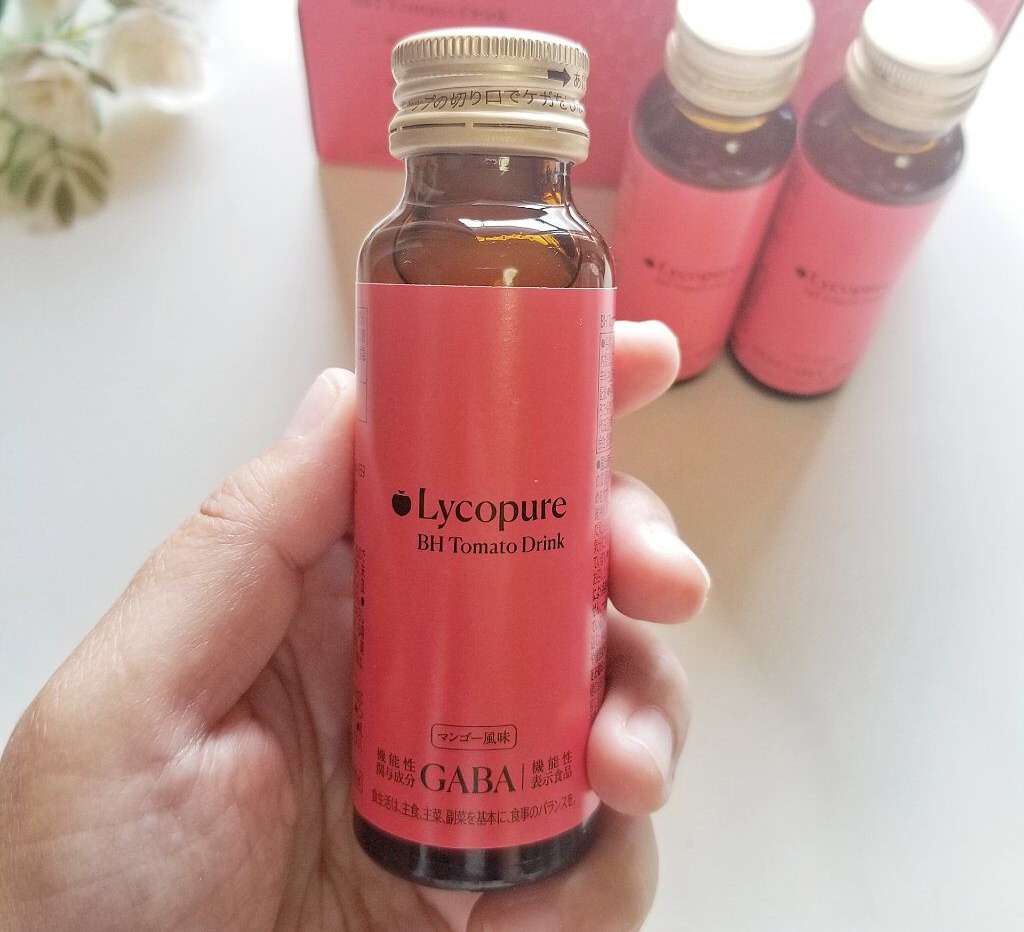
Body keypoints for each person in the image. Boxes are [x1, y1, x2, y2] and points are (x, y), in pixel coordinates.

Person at [0, 321, 709, 932]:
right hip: (365, 790)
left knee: (571, 539)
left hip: (536, 794)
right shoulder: (404, 255)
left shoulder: (567, 267)